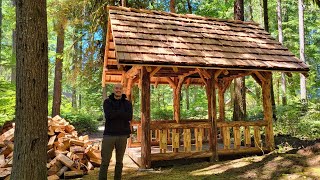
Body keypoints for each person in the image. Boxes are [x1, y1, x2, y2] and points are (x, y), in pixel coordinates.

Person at [99, 84, 133, 180]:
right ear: (113, 89)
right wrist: (122, 113)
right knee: (105, 161)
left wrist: (116, 112)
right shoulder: (107, 102)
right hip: (109, 135)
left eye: (120, 88)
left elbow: (129, 117)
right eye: (116, 88)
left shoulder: (127, 103)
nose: (118, 90)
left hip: (122, 135)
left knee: (119, 162)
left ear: (123, 90)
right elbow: (109, 116)